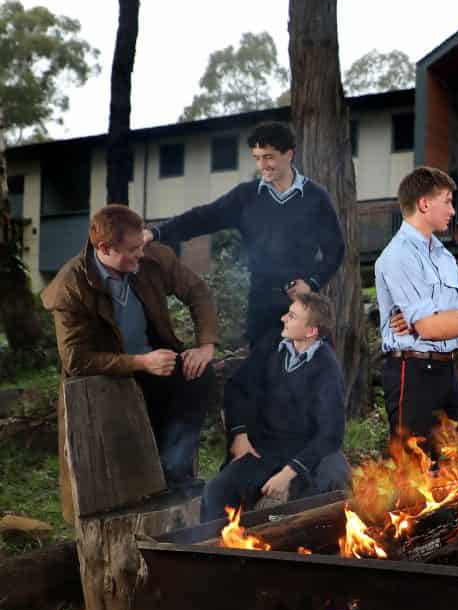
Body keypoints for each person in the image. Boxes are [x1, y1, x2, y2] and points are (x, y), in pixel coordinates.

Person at [42, 203, 219, 521]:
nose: (141, 254)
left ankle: (175, 471)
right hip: (104, 379)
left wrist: (205, 345)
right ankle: (135, 496)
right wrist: (139, 363)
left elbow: (197, 290)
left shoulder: (152, 257)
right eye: (132, 250)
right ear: (104, 248)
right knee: (125, 456)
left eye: (142, 245)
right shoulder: (71, 286)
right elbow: (77, 359)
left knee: (199, 375)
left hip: (154, 361)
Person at [146, 121, 344, 345]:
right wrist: (156, 233)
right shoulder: (245, 197)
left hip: (304, 304)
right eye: (257, 157)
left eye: (268, 157)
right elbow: (202, 217)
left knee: (311, 373)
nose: (262, 165)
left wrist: (311, 283)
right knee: (262, 374)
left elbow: (335, 249)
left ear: (288, 155)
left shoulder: (316, 197)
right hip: (261, 305)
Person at [201, 293, 347, 522]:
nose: (283, 318)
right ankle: (213, 553)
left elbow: (331, 435)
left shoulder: (326, 367)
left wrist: (287, 474)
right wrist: (239, 434)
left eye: (292, 315)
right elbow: (237, 387)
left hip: (307, 453)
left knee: (315, 505)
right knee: (216, 492)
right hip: (264, 449)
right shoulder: (271, 346)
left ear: (311, 331)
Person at [374, 167, 458, 455]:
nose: (453, 211)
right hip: (413, 372)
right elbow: (432, 328)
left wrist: (457, 320)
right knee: (416, 474)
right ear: (424, 203)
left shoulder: (445, 257)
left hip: (448, 371)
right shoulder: (398, 256)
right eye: (447, 201)